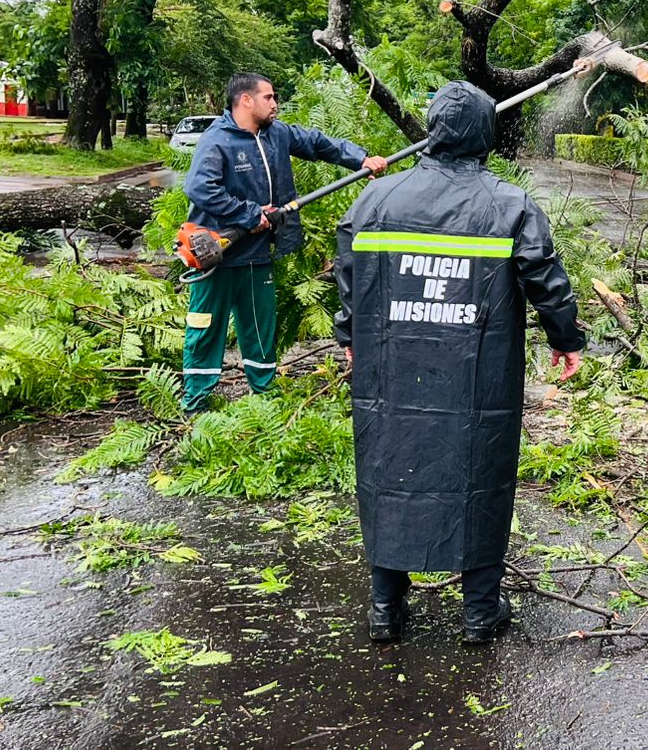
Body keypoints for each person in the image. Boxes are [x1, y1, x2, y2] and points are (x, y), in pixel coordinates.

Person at [333, 81, 584, 644]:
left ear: (432, 130)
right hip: (479, 373)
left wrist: (349, 335)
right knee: (480, 474)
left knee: (387, 470)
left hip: (390, 370)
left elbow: (348, 275)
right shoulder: (509, 205)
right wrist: (565, 340)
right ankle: (478, 613)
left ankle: (384, 608)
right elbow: (545, 279)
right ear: (483, 135)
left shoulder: (375, 200)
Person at [181, 72, 388, 412]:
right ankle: (197, 400)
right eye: (269, 97)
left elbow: (318, 143)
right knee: (206, 324)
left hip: (258, 252)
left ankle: (263, 393)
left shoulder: (276, 134)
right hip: (216, 252)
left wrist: (360, 158)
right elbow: (200, 188)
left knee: (260, 324)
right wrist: (249, 214)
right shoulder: (217, 141)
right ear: (246, 100)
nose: (275, 104)